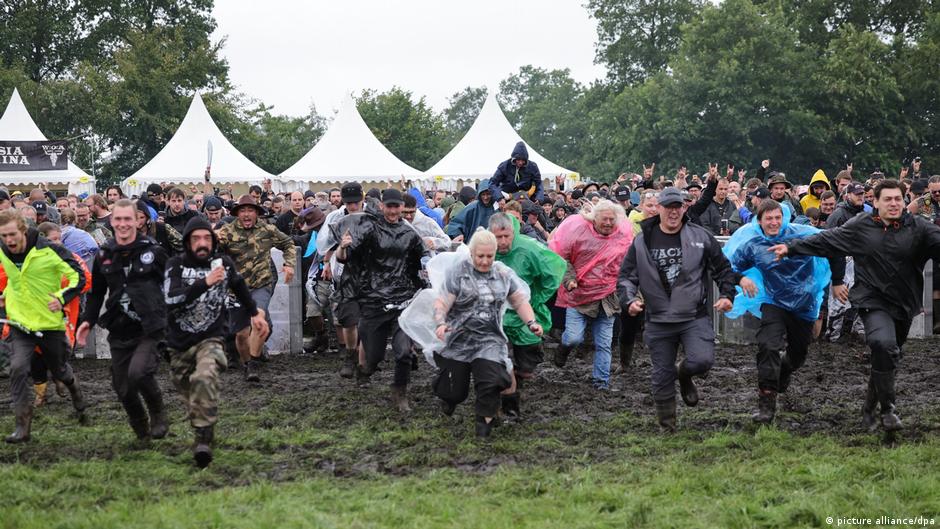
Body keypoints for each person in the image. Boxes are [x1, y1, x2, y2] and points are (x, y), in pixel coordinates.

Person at [770, 180, 940, 431]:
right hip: (872, 299)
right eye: (887, 199)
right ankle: (888, 410)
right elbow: (828, 240)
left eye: (897, 199)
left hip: (904, 303)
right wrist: (792, 248)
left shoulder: (920, 229)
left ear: (904, 201)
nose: (893, 204)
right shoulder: (861, 226)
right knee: (883, 344)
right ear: (876, 203)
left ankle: (869, 408)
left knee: (889, 355)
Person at [618, 187, 753, 430]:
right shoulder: (641, 241)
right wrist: (629, 300)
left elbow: (722, 269)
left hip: (693, 315)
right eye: (668, 207)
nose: (673, 211)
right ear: (658, 208)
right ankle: (667, 426)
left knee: (702, 361)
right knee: (661, 375)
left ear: (684, 208)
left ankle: (684, 373)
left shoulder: (700, 237)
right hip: (658, 318)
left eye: (677, 206)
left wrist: (726, 294)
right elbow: (627, 277)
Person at [164, 217, 267, 467]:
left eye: (207, 238)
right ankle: (205, 428)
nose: (202, 243)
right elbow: (170, 299)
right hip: (179, 343)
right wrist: (204, 283)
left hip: (212, 337)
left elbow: (240, 286)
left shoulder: (224, 263)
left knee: (205, 377)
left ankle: (202, 440)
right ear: (188, 242)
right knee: (192, 397)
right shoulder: (175, 265)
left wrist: (255, 313)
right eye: (196, 238)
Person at [427, 230, 543, 437]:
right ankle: (448, 396)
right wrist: (440, 322)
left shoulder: (503, 274)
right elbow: (443, 301)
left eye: (490, 256)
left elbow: (519, 300)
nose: (485, 261)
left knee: (490, 381)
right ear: (472, 254)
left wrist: (531, 322)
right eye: (480, 256)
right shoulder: (459, 272)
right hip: (458, 337)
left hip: (489, 338)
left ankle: (484, 427)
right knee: (455, 392)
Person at [724, 200, 831, 423]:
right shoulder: (752, 244)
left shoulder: (802, 234)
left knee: (798, 356)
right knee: (768, 344)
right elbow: (727, 268)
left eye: (777, 217)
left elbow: (834, 244)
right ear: (759, 220)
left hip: (804, 304)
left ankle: (785, 368)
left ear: (783, 217)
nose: (773, 222)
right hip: (774, 301)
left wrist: (837, 281)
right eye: (768, 218)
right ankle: (766, 402)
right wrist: (741, 279)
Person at [78, 199, 171, 441]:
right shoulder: (105, 254)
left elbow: (171, 286)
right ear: (111, 220)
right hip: (120, 326)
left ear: (138, 220)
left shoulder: (153, 251)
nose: (122, 224)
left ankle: (158, 412)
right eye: (118, 219)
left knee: (138, 373)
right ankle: (139, 424)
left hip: (150, 327)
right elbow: (97, 291)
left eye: (127, 219)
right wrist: (87, 321)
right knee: (122, 386)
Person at [0, 209, 88, 443]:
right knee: (18, 368)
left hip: (50, 324)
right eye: (3, 236)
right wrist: (4, 293)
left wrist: (61, 298)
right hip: (20, 323)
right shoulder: (2, 250)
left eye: (11, 235)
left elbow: (79, 276)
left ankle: (74, 388)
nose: (8, 241)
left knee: (59, 370)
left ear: (23, 230)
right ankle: (22, 427)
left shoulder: (49, 249)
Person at [338, 188, 427, 412]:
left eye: (397, 207)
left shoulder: (410, 234)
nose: (393, 211)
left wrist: (429, 259)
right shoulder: (370, 229)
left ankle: (400, 392)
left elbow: (423, 259)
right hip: (374, 301)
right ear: (382, 206)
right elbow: (345, 257)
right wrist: (342, 247)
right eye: (389, 206)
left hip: (402, 301)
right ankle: (365, 370)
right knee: (373, 357)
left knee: (404, 352)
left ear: (402, 208)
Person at [550, 199, 634, 391]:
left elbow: (629, 265)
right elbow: (563, 257)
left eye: (612, 220)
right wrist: (569, 279)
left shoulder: (622, 237)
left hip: (607, 299)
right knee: (573, 338)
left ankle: (601, 383)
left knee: (604, 344)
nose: (608, 224)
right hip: (579, 297)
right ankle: (563, 349)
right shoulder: (578, 233)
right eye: (604, 219)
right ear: (594, 219)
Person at [488, 213, 565, 417]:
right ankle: (506, 406)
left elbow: (551, 275)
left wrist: (535, 299)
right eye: (498, 237)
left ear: (513, 233)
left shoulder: (529, 249)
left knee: (527, 363)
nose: (503, 242)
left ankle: (517, 377)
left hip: (523, 313)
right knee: (500, 363)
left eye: (507, 236)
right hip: (495, 316)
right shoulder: (484, 251)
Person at [216, 195, 297, 382]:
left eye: (250, 210)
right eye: (242, 211)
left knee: (258, 321)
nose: (246, 214)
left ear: (257, 213)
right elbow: (210, 248)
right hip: (236, 289)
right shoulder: (227, 231)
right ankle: (246, 364)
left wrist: (289, 264)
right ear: (237, 213)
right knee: (241, 336)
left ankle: (253, 363)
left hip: (261, 284)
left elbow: (288, 243)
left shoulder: (267, 230)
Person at [317, 182, 366, 378]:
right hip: (343, 270)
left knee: (367, 318)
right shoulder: (335, 217)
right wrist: (327, 263)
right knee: (347, 319)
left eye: (356, 202)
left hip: (369, 272)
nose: (352, 207)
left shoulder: (372, 216)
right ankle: (350, 354)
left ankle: (363, 361)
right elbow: (324, 244)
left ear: (362, 200)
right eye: (349, 203)